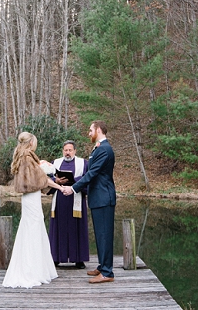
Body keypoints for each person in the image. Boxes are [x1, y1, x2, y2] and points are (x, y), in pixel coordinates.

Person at [61, 120, 116, 284]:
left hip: (104, 198)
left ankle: (107, 273)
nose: (88, 132)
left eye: (90, 129)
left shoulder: (104, 150)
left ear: (98, 130)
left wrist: (73, 188)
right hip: (98, 198)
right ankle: (102, 266)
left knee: (105, 235)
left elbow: (91, 174)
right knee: (100, 235)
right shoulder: (99, 148)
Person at [3, 132, 58, 289]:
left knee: (31, 229)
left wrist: (41, 166)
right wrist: (57, 184)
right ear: (30, 143)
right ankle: (31, 271)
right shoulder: (28, 157)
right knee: (33, 230)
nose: (36, 144)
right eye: (35, 142)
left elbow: (35, 175)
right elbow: (39, 180)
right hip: (32, 198)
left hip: (29, 198)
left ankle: (35, 268)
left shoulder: (24, 156)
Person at [47, 139, 89, 268]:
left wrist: (73, 181)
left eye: (70, 150)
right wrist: (57, 180)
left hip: (76, 200)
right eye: (66, 150)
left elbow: (88, 178)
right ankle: (56, 258)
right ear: (62, 151)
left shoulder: (83, 163)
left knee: (77, 228)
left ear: (75, 151)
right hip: (60, 199)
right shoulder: (56, 163)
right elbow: (48, 178)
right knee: (58, 227)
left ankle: (79, 259)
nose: (68, 153)